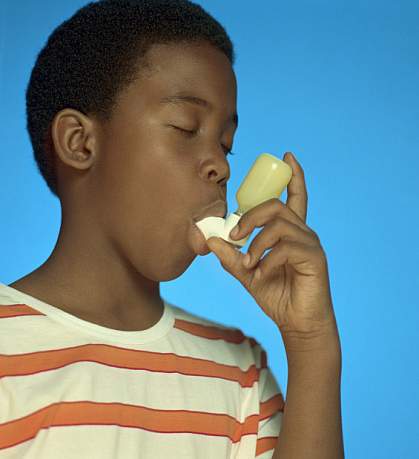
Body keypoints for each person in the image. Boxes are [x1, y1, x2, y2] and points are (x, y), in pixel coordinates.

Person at [0, 1, 287, 457]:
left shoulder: (241, 373)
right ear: (80, 142)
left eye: (225, 145)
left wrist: (313, 342)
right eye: (184, 127)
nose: (219, 164)